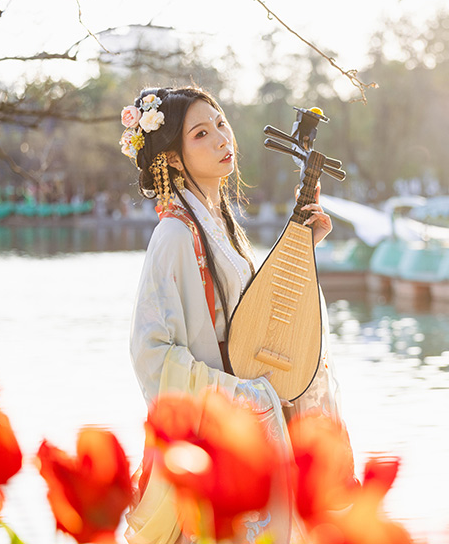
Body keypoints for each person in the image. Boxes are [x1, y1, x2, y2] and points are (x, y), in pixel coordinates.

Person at [121, 86, 350, 544]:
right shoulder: (173, 235)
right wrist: (241, 395)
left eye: (222, 124)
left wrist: (305, 247)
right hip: (224, 440)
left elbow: (250, 319)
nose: (222, 139)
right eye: (201, 133)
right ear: (172, 158)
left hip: (250, 431)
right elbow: (150, 354)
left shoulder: (221, 224)